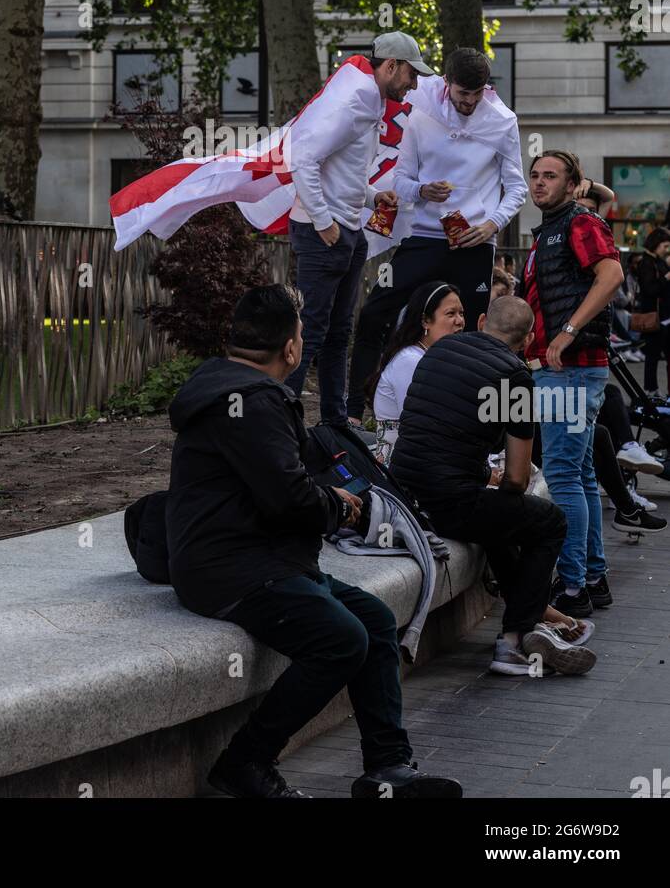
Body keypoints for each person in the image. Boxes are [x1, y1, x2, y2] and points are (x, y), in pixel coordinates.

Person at [165, 283, 462, 800]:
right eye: (302, 333)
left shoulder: (229, 389)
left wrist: (320, 499)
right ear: (291, 349)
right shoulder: (251, 403)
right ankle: (245, 761)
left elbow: (275, 488)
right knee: (340, 638)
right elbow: (289, 499)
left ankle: (387, 767)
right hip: (233, 568)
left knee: (372, 619)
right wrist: (339, 505)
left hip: (260, 556)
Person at [389, 296, 597, 676]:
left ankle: (535, 616)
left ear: (482, 320)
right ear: (530, 338)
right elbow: (517, 479)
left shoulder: (441, 349)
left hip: (401, 491)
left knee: (499, 522)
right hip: (447, 503)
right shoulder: (516, 378)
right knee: (549, 520)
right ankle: (515, 641)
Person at [346, 47, 527, 422]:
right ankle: (352, 411)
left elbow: (517, 188)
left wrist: (492, 224)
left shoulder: (502, 121)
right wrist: (422, 191)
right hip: (424, 236)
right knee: (374, 310)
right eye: (464, 94)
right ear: (447, 84)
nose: (470, 102)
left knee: (475, 333)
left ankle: (471, 420)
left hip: (474, 243)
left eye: (478, 95)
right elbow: (401, 178)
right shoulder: (421, 112)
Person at [285, 31, 435, 428]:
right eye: (411, 75)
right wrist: (323, 222)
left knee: (337, 333)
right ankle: (282, 421)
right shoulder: (356, 103)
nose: (414, 84)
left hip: (344, 231)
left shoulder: (367, 102)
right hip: (327, 234)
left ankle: (335, 423)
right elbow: (301, 158)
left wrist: (372, 198)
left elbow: (341, 171)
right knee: (314, 329)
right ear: (390, 67)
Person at [521, 150, 624, 619]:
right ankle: (593, 577)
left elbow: (612, 275)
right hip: (563, 367)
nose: (540, 183)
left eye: (551, 176)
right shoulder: (550, 231)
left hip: (571, 368)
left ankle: (573, 587)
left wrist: (567, 331)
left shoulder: (579, 223)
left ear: (572, 184)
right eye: (535, 175)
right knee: (579, 474)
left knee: (562, 474)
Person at [371, 282, 464, 465]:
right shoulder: (410, 361)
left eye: (461, 313)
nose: (460, 321)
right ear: (425, 321)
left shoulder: (436, 358)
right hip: (405, 467)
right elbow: (421, 427)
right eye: (450, 314)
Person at [636, 227, 670, 397]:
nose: (667, 249)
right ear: (656, 244)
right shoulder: (646, 263)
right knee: (652, 356)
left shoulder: (659, 261)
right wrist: (666, 278)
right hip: (654, 317)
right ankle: (651, 389)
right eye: (665, 246)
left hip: (665, 316)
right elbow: (650, 290)